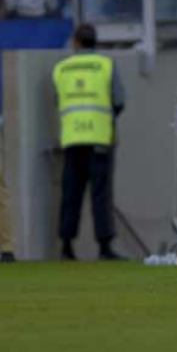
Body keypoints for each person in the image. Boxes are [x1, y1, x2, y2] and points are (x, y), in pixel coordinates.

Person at [53, 24, 127, 261]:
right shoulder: (106, 65)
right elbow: (119, 100)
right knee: (100, 194)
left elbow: (58, 100)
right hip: (99, 138)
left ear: (76, 42)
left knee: (71, 193)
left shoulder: (61, 68)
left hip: (72, 138)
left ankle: (66, 246)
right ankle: (104, 247)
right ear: (95, 41)